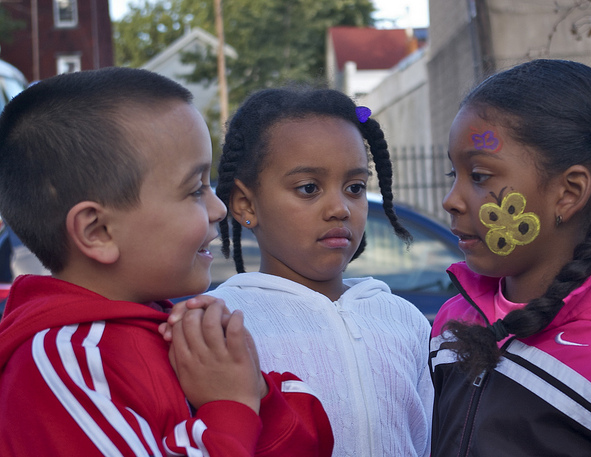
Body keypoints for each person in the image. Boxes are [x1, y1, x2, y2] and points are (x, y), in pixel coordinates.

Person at [0, 67, 333, 456]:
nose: (219, 208)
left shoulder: (167, 335)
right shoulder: (65, 363)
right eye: (195, 190)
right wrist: (228, 406)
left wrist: (255, 390)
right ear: (98, 232)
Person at [164, 86, 434, 456]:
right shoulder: (220, 325)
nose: (340, 208)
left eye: (354, 187)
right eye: (309, 188)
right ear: (246, 204)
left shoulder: (404, 320)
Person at [430, 58, 591, 456]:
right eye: (451, 175)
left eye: (478, 176)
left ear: (569, 192)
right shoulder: (452, 323)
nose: (450, 200)